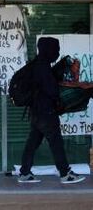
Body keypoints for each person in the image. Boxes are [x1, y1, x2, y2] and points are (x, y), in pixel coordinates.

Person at [18, 37, 85, 184]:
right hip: (46, 112)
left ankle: (24, 172)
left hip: (36, 112)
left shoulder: (36, 64)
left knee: (33, 142)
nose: (57, 52)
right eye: (56, 49)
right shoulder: (43, 67)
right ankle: (65, 173)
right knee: (56, 142)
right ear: (50, 50)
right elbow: (52, 90)